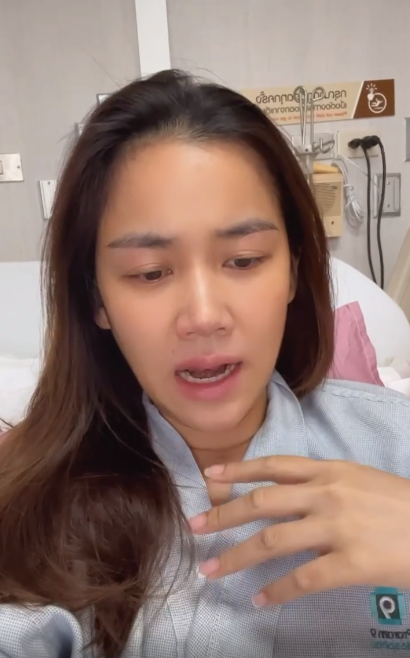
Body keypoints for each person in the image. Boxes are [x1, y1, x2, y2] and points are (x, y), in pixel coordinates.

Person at [0, 70, 410, 658]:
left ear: (294, 270)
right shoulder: (33, 500)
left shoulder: (396, 446)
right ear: (97, 300)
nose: (204, 316)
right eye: (150, 273)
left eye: (243, 261)